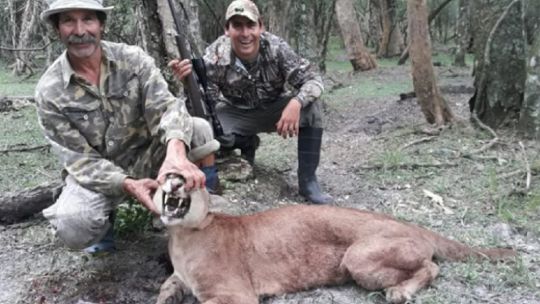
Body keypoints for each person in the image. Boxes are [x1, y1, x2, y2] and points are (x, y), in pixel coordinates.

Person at [35, 0, 220, 253]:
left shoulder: (133, 60)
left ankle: (201, 206)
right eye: (69, 21)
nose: (79, 30)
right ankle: (103, 231)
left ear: (101, 24)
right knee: (73, 223)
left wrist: (175, 153)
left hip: (147, 157)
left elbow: (167, 108)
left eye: (88, 19)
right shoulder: (49, 91)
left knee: (197, 129)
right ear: (58, 29)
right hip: (100, 174)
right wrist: (128, 183)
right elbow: (80, 160)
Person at [170, 0, 333, 204]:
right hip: (236, 111)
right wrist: (188, 82)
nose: (245, 33)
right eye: (237, 25)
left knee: (312, 108)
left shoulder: (276, 48)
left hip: (275, 109)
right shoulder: (214, 56)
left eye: (250, 25)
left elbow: (313, 80)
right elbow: (206, 103)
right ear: (227, 30)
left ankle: (308, 181)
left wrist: (296, 103)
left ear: (260, 27)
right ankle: (245, 143)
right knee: (204, 127)